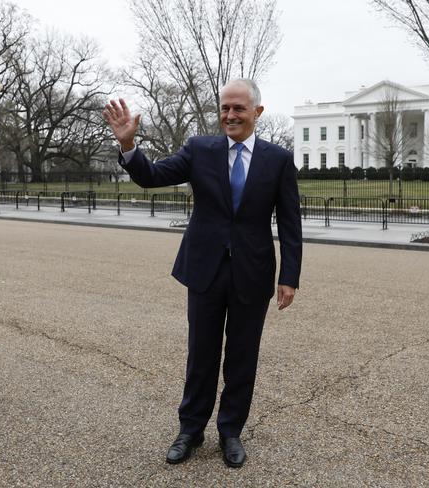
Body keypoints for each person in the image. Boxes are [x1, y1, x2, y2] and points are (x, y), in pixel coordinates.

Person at [103, 78, 302, 468]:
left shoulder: (278, 159)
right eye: (225, 108)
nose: (230, 115)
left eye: (239, 109)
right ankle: (190, 430)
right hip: (205, 270)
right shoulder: (199, 149)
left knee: (243, 357)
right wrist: (128, 145)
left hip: (253, 273)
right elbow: (152, 176)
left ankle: (231, 432)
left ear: (257, 113)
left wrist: (290, 276)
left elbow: (291, 223)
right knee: (201, 356)